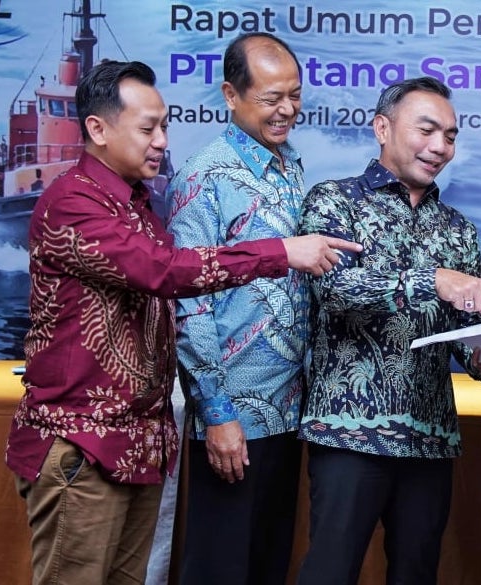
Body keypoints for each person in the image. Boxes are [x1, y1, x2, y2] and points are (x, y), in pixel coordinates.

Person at [4, 59, 360, 585]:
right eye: (148, 129)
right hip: (83, 444)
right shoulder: (74, 202)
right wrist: (280, 252)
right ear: (97, 129)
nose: (162, 142)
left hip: (136, 444)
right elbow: (164, 271)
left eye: (165, 126)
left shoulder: (137, 203)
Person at [296, 76, 481, 585]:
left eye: (451, 136)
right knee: (330, 572)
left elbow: (462, 333)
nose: (440, 146)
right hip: (348, 432)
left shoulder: (457, 228)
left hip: (430, 438)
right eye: (427, 130)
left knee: (417, 573)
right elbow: (335, 290)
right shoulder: (334, 202)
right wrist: (432, 279)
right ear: (382, 128)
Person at [165, 32, 310, 585]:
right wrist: (218, 415)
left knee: (269, 564)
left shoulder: (290, 165)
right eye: (272, 98)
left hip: (287, 412)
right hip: (233, 420)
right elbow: (190, 305)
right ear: (231, 95)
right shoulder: (204, 176)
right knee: (220, 568)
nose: (287, 109)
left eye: (294, 95)